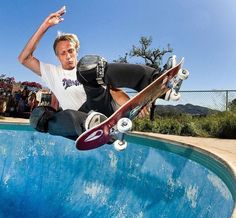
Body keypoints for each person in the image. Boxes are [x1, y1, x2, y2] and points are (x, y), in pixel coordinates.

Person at [18, 6, 177, 141]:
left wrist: (136, 103)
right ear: (57, 56)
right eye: (63, 53)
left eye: (71, 51)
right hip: (78, 122)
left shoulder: (84, 69)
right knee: (39, 118)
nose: (68, 56)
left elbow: (114, 92)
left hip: (101, 107)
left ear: (76, 50)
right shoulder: (51, 72)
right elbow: (24, 58)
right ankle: (91, 125)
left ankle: (155, 79)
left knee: (88, 67)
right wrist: (45, 25)